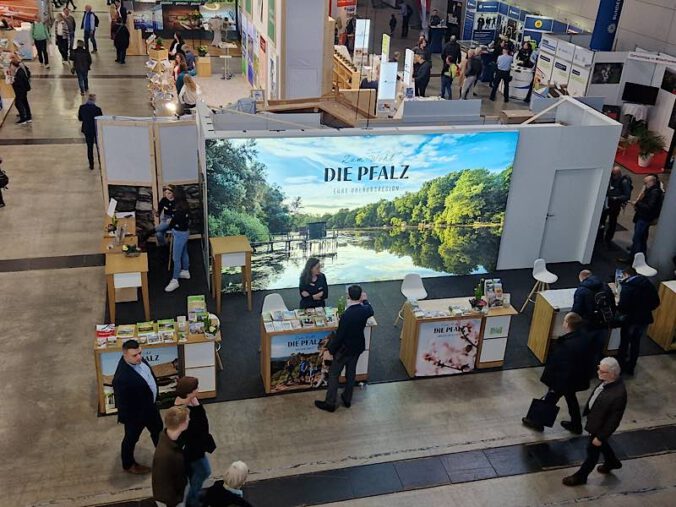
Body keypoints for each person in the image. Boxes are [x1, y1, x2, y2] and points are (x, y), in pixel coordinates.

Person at [522, 313, 593, 434]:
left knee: (551, 397)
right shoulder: (584, 338)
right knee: (571, 399)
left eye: (565, 320)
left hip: (563, 379)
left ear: (568, 324)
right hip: (575, 377)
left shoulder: (566, 345)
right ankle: (576, 424)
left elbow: (562, 365)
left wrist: (554, 383)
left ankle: (538, 422)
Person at [562, 357, 627, 486]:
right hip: (595, 422)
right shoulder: (607, 382)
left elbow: (613, 421)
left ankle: (581, 476)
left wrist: (601, 437)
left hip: (600, 428)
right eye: (599, 368)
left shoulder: (618, 395)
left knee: (592, 452)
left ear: (612, 374)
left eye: (602, 371)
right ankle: (612, 461)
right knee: (600, 445)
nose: (598, 372)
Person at [315, 285, 374, 412]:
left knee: (333, 374)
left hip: (344, 350)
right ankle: (347, 399)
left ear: (348, 296)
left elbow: (340, 336)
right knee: (351, 373)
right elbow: (371, 309)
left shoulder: (347, 315)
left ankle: (330, 403)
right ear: (360, 296)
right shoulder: (364, 310)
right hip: (357, 347)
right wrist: (365, 300)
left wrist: (330, 351)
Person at [112, 339, 163, 474]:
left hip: (150, 408)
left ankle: (164, 457)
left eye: (140, 353)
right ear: (125, 355)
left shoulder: (140, 361)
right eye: (134, 355)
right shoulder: (121, 378)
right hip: (136, 415)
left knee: (158, 432)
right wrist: (128, 419)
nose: (139, 357)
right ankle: (128, 464)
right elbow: (121, 402)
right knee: (131, 438)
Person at [174, 377, 216, 507]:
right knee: (204, 471)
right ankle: (192, 499)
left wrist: (195, 402)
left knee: (195, 473)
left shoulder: (189, 403)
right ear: (189, 392)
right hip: (192, 450)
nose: (198, 390)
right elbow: (201, 425)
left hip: (195, 447)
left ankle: (194, 494)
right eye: (195, 388)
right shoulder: (182, 413)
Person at [616, 267, 660, 376]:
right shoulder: (647, 284)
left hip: (631, 320)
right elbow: (656, 302)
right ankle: (631, 367)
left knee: (624, 343)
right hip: (644, 319)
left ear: (626, 275)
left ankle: (621, 366)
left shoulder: (627, 287)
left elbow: (623, 307)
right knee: (636, 343)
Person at [571, 270, 615, 367]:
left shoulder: (581, 290)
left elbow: (576, 311)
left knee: (585, 348)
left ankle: (583, 370)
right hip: (604, 323)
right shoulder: (605, 286)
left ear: (581, 278)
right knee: (598, 348)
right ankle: (595, 368)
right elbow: (612, 303)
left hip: (588, 325)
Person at [152, 406, 190, 507]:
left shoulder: (166, 436)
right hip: (171, 499)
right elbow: (164, 483)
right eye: (187, 419)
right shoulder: (168, 455)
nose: (189, 419)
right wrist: (178, 500)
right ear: (182, 424)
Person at [625, 174, 663, 259]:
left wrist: (637, 204)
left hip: (644, 218)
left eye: (645, 183)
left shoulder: (654, 193)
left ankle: (633, 258)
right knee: (642, 238)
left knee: (637, 239)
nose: (644, 185)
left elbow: (649, 207)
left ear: (652, 182)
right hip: (645, 217)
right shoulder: (654, 191)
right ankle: (641, 256)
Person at [165, 186, 191, 292]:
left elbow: (172, 223)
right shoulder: (186, 206)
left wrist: (169, 223)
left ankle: (175, 280)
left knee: (176, 258)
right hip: (185, 233)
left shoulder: (179, 210)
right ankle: (185, 271)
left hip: (179, 234)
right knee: (184, 252)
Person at [600, 166, 632, 247]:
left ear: (619, 174)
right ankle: (599, 238)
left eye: (614, 175)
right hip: (607, 203)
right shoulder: (610, 178)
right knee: (601, 221)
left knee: (612, 223)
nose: (613, 176)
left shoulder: (624, 182)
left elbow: (627, 196)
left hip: (615, 206)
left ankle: (608, 239)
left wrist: (616, 198)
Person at [78, 93, 102, 170]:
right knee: (99, 147)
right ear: (94, 100)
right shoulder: (97, 109)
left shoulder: (82, 108)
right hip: (95, 130)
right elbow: (100, 120)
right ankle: (101, 164)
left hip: (87, 130)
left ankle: (91, 165)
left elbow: (80, 118)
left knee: (90, 147)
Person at [10, 59, 32, 125]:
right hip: (24, 90)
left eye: (11, 66)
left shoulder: (19, 72)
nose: (10, 68)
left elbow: (19, 83)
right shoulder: (20, 70)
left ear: (14, 66)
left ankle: (23, 118)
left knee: (18, 103)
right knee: (24, 102)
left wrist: (13, 81)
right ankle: (28, 117)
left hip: (21, 91)